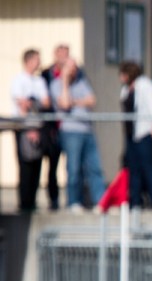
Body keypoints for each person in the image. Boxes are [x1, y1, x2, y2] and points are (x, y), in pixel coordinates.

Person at [50, 57, 106, 213]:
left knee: (95, 168)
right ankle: (74, 201)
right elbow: (64, 103)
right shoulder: (56, 85)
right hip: (71, 132)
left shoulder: (82, 82)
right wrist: (65, 81)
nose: (74, 70)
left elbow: (92, 100)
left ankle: (100, 201)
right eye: (70, 68)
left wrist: (74, 101)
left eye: (75, 67)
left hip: (87, 130)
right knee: (74, 169)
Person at [39, 44, 83, 211]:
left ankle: (75, 200)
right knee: (52, 165)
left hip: (68, 128)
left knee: (74, 166)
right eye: (62, 54)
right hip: (51, 128)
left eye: (67, 54)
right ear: (56, 55)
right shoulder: (47, 75)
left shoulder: (77, 74)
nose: (65, 58)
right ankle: (54, 199)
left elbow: (86, 98)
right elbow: (53, 101)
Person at [119, 61, 152, 209]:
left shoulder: (145, 85)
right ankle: (135, 201)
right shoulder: (126, 89)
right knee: (133, 169)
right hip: (131, 134)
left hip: (144, 133)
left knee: (148, 168)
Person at [9, 48, 49, 213]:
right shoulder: (19, 80)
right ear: (28, 61)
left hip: (38, 127)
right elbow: (22, 105)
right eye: (36, 59)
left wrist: (32, 102)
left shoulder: (39, 81)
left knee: (37, 165)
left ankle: (33, 201)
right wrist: (29, 125)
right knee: (25, 165)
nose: (39, 63)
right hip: (23, 128)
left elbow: (46, 102)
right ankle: (24, 203)